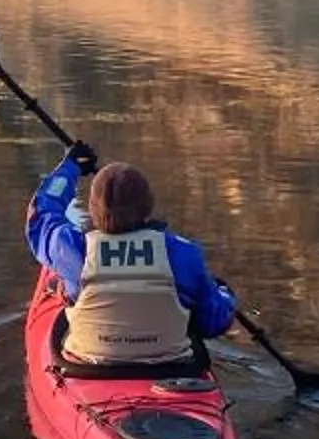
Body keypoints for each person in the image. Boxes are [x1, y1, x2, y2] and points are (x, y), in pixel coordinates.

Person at [26, 142, 238, 373]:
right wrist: (224, 294)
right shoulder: (184, 254)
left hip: (88, 366)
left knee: (63, 290)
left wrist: (70, 168)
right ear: (148, 206)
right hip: (171, 367)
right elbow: (212, 324)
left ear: (94, 208)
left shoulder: (72, 248)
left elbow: (42, 213)